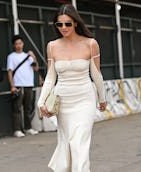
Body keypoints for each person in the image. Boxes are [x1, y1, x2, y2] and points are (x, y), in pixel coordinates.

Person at [37, 4, 107, 172]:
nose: (63, 28)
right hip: (63, 101)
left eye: (67, 23)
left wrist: (102, 98)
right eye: (59, 24)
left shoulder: (90, 44)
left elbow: (96, 74)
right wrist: (41, 101)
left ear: (76, 23)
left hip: (84, 99)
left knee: (79, 143)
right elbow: (50, 77)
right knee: (66, 143)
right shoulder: (52, 46)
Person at [7, 35, 39, 138]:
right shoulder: (11, 57)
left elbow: (36, 68)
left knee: (28, 107)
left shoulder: (28, 56)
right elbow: (10, 72)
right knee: (17, 108)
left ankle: (28, 128)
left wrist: (33, 56)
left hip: (28, 84)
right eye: (16, 44)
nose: (18, 46)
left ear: (23, 44)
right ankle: (17, 129)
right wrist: (12, 86)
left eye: (20, 43)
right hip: (18, 85)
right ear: (14, 45)